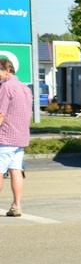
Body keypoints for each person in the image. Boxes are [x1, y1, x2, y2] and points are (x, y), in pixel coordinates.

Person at [0, 57, 33, 217]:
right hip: (21, 136)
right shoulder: (25, 88)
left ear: (7, 70)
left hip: (5, 136)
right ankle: (16, 205)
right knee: (16, 170)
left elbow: (1, 114)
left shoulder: (6, 87)